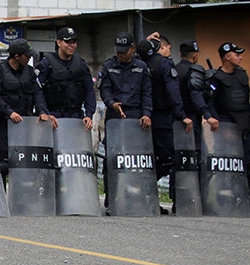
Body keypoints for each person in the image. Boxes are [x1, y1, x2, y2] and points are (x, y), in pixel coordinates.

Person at [98, 32, 153, 207]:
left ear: (133, 49)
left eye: (124, 51)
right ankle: (111, 198)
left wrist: (146, 113)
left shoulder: (141, 67)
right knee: (112, 158)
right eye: (118, 51)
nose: (120, 55)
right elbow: (104, 90)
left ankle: (135, 197)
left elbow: (147, 93)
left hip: (136, 117)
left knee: (135, 159)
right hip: (115, 116)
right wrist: (111, 103)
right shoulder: (109, 66)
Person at [136, 36, 191, 208]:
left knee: (147, 159)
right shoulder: (164, 64)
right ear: (161, 47)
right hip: (161, 118)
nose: (169, 52)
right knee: (169, 158)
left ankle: (145, 195)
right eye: (168, 48)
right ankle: (143, 187)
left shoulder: (139, 63)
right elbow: (173, 91)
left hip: (141, 117)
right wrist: (181, 114)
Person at [0, 38, 52, 185]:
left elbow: (38, 93)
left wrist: (42, 111)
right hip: (6, 125)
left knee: (25, 164)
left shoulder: (30, 72)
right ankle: (1, 197)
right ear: (17, 56)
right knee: (2, 165)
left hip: (26, 126)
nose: (29, 58)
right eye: (26, 55)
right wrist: (9, 112)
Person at [35, 27, 96, 130]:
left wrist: (89, 115)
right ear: (59, 42)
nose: (72, 45)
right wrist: (43, 112)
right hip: (53, 117)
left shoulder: (81, 64)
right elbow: (38, 90)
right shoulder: (47, 64)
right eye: (67, 42)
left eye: (74, 42)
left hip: (76, 117)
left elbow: (89, 90)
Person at [207, 42, 250, 182]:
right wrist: (220, 125)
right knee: (228, 163)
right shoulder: (216, 78)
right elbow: (210, 103)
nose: (240, 58)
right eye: (237, 55)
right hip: (226, 124)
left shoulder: (242, 74)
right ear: (227, 57)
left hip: (245, 125)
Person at [175, 39, 219, 154]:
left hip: (176, 116)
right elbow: (196, 94)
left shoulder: (174, 69)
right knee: (196, 150)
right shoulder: (194, 70)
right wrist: (207, 115)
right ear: (195, 55)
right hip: (192, 117)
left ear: (180, 54)